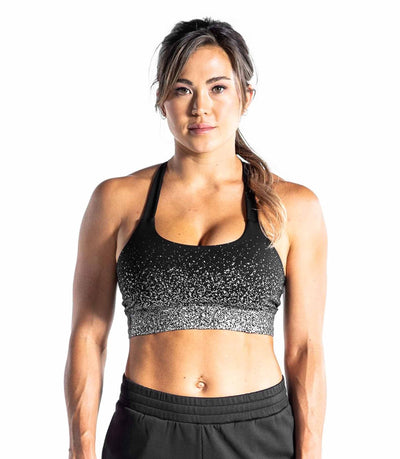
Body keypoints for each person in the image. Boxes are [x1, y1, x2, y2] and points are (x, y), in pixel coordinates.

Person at [64, 17, 327, 459]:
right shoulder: (116, 200)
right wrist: (81, 447)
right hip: (146, 432)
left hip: (259, 432)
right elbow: (88, 335)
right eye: (182, 89)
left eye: (218, 88)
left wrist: (312, 450)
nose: (200, 107)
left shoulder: (293, 206)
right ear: (162, 101)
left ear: (246, 96)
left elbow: (305, 348)